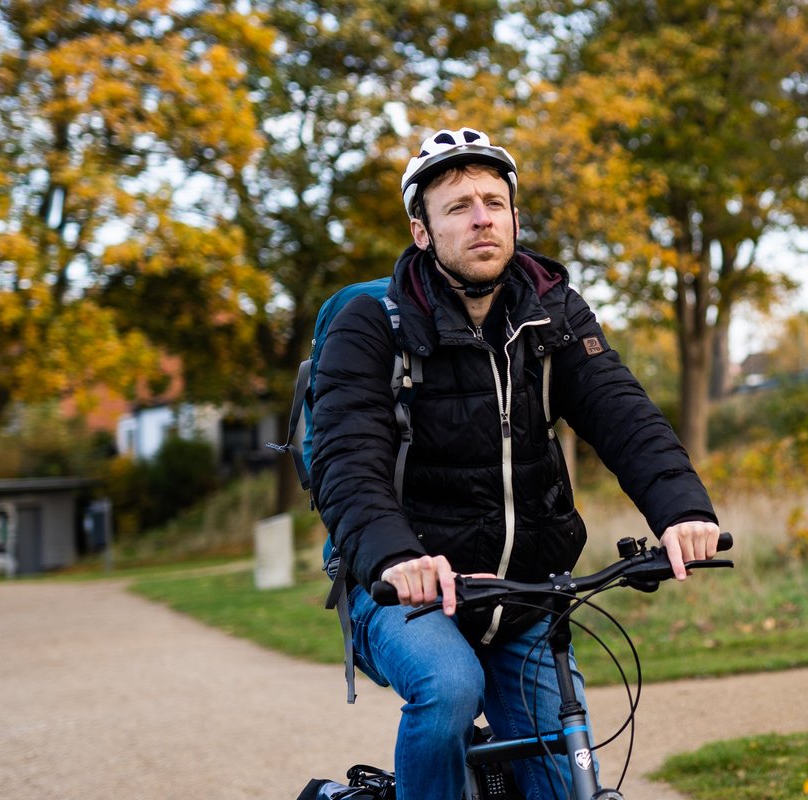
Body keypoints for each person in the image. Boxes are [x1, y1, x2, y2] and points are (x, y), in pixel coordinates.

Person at [311, 126, 721, 800]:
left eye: (493, 203)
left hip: (526, 593)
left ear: (514, 217)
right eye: (457, 206)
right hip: (406, 588)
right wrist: (392, 559)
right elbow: (346, 460)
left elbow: (624, 415)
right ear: (422, 232)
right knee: (448, 687)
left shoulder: (553, 313)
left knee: (564, 784)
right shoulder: (371, 324)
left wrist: (682, 510)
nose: (480, 219)